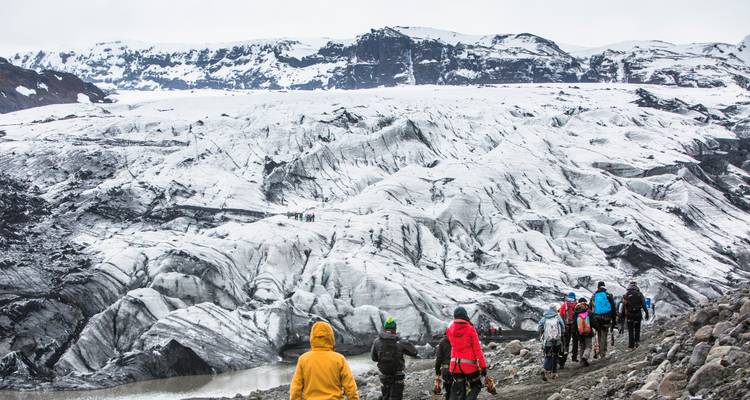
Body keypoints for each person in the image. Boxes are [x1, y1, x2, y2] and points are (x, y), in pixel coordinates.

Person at [290, 321, 359, 400]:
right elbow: (350, 387)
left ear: (312, 337)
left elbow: (295, 389)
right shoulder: (339, 359)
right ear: (331, 337)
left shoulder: (303, 359)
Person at [371, 316, 418, 400]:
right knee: (396, 397)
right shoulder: (400, 341)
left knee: (385, 396)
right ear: (395, 329)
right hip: (397, 375)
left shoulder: (377, 341)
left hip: (384, 375)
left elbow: (374, 358)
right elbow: (414, 352)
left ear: (384, 329)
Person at [446, 307, 488, 400]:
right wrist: (483, 367)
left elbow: (452, 331)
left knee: (460, 390)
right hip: (469, 366)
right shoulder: (470, 329)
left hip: (454, 366)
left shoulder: (449, 330)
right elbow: (477, 350)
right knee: (476, 386)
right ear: (465, 315)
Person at [538, 303, 565, 381]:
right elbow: (562, 326)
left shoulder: (544, 318)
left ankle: (545, 370)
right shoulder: (557, 316)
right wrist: (562, 334)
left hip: (547, 340)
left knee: (548, 355)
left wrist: (542, 333)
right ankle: (554, 373)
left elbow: (539, 327)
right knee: (555, 355)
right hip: (557, 340)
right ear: (555, 309)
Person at [591, 281, 617, 359]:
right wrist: (614, 320)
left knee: (599, 334)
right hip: (606, 318)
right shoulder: (608, 295)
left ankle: (599, 351)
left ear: (598, 287)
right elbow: (613, 308)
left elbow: (590, 308)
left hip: (597, 318)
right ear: (604, 287)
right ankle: (603, 353)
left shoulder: (594, 296)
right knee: (604, 335)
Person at [622, 280, 649, 349]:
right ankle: (637, 342)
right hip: (638, 313)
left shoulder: (626, 294)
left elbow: (623, 306)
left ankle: (631, 345)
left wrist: (622, 316)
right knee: (637, 328)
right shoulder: (639, 294)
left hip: (629, 314)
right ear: (636, 286)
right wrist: (646, 313)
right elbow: (643, 304)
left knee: (630, 330)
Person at [558, 292, 578, 366]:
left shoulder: (564, 305)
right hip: (575, 327)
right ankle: (574, 357)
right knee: (575, 342)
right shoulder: (576, 305)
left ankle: (562, 361)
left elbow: (560, 316)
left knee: (566, 343)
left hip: (566, 327)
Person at [574, 297, 595, 367]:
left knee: (582, 346)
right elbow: (593, 322)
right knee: (588, 346)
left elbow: (574, 324)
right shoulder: (589, 312)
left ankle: (581, 362)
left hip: (579, 333)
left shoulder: (576, 313)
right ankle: (585, 357)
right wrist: (597, 328)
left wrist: (575, 333)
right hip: (588, 332)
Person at [434, 334, 453, 400]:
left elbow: (439, 358)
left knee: (448, 391)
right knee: (459, 391)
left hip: (446, 369)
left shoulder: (442, 342)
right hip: (458, 368)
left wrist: (437, 370)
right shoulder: (458, 340)